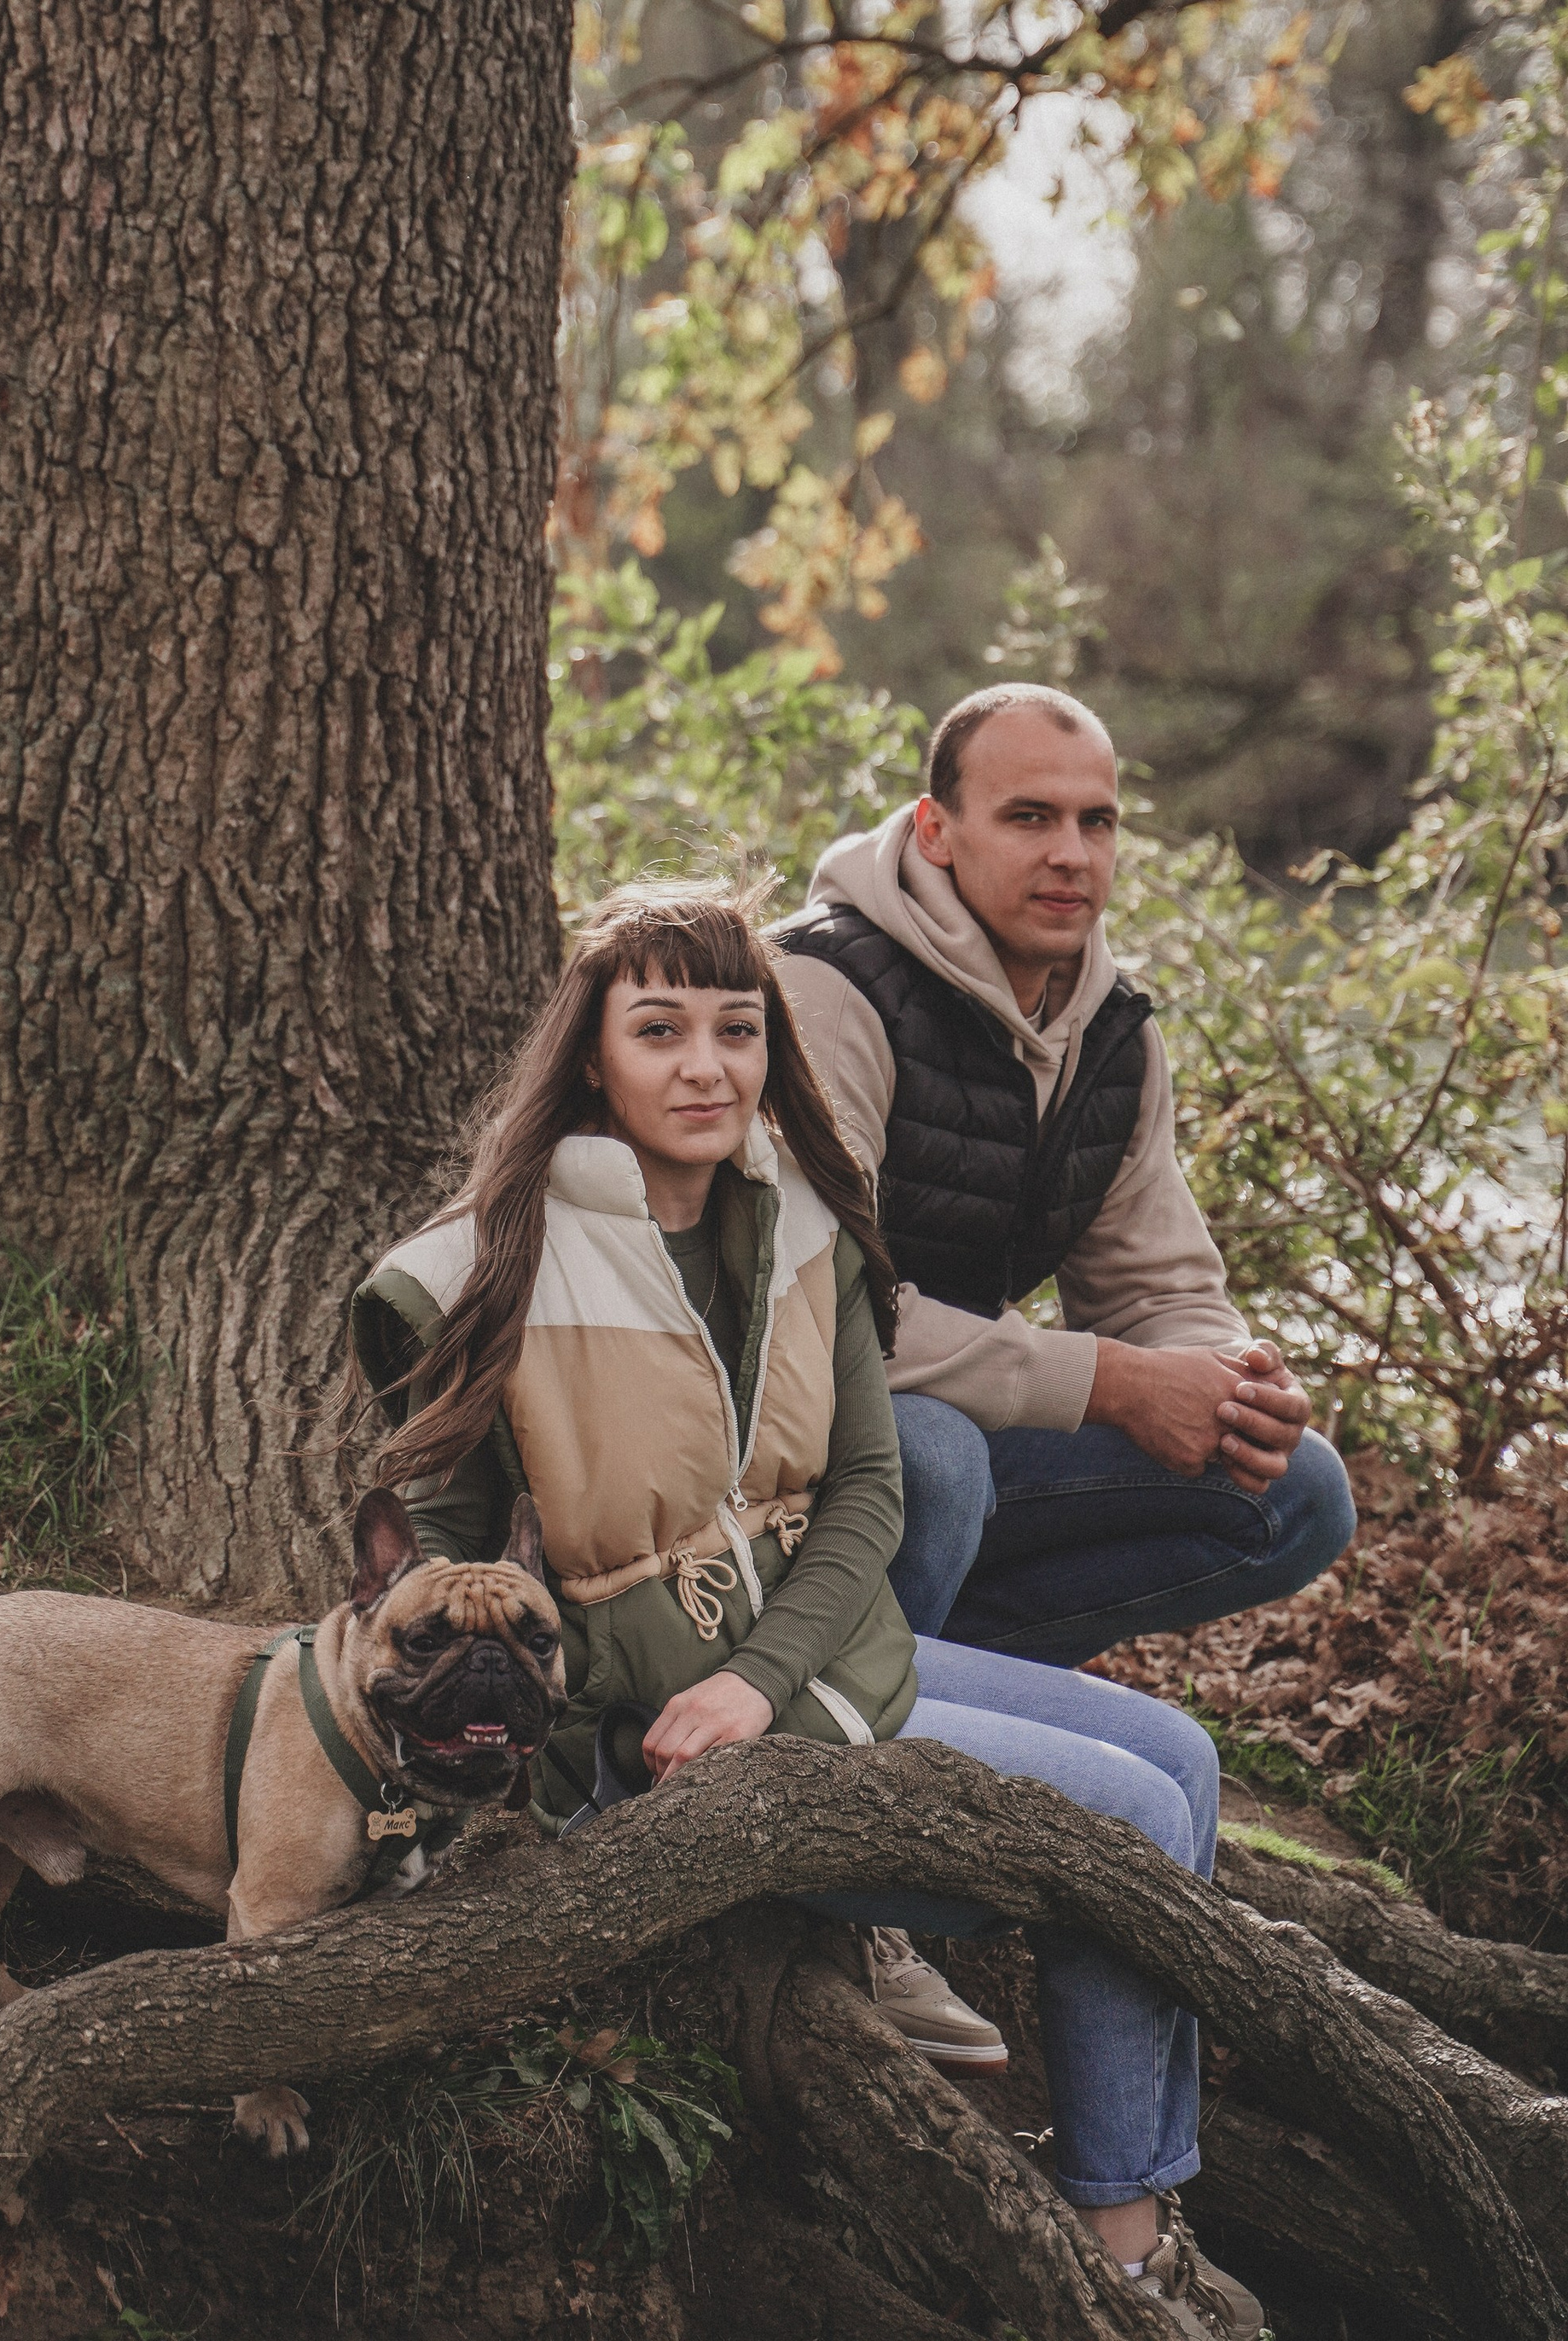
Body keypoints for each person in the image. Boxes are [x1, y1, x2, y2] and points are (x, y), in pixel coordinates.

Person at [349, 880, 1264, 2336]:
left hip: (809, 1670)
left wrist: (767, 1680)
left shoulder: (804, 1222)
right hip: (648, 1741)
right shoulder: (477, 1270)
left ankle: (1140, 2205)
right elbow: (446, 1572)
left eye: (737, 1029)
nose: (707, 1067)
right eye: (661, 1032)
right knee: (1133, 1824)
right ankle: (1116, 2250)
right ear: (594, 1054)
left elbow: (864, 1502)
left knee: (1186, 1763)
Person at [773, 683, 1356, 1671]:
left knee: (1296, 1490)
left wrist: (1226, 1383)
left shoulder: (1110, 1033)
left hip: (949, 1409)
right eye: (1029, 817)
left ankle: (950, 1701)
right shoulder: (825, 993)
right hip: (779, 1436)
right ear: (937, 830)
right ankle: (828, 1741)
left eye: (1097, 822)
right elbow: (817, 1317)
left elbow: (1155, 1283)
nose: (1070, 855)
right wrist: (1114, 1383)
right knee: (934, 1460)